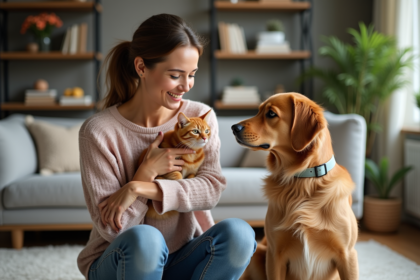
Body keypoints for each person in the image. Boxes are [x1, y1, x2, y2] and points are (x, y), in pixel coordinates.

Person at [77, 14, 257, 280]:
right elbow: (115, 229)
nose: (186, 86)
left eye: (192, 75)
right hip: (119, 260)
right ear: (141, 67)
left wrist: (139, 187)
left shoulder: (200, 116)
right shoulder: (99, 132)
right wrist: (144, 171)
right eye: (175, 75)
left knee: (240, 234)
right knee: (146, 240)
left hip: (182, 255)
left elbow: (211, 188)